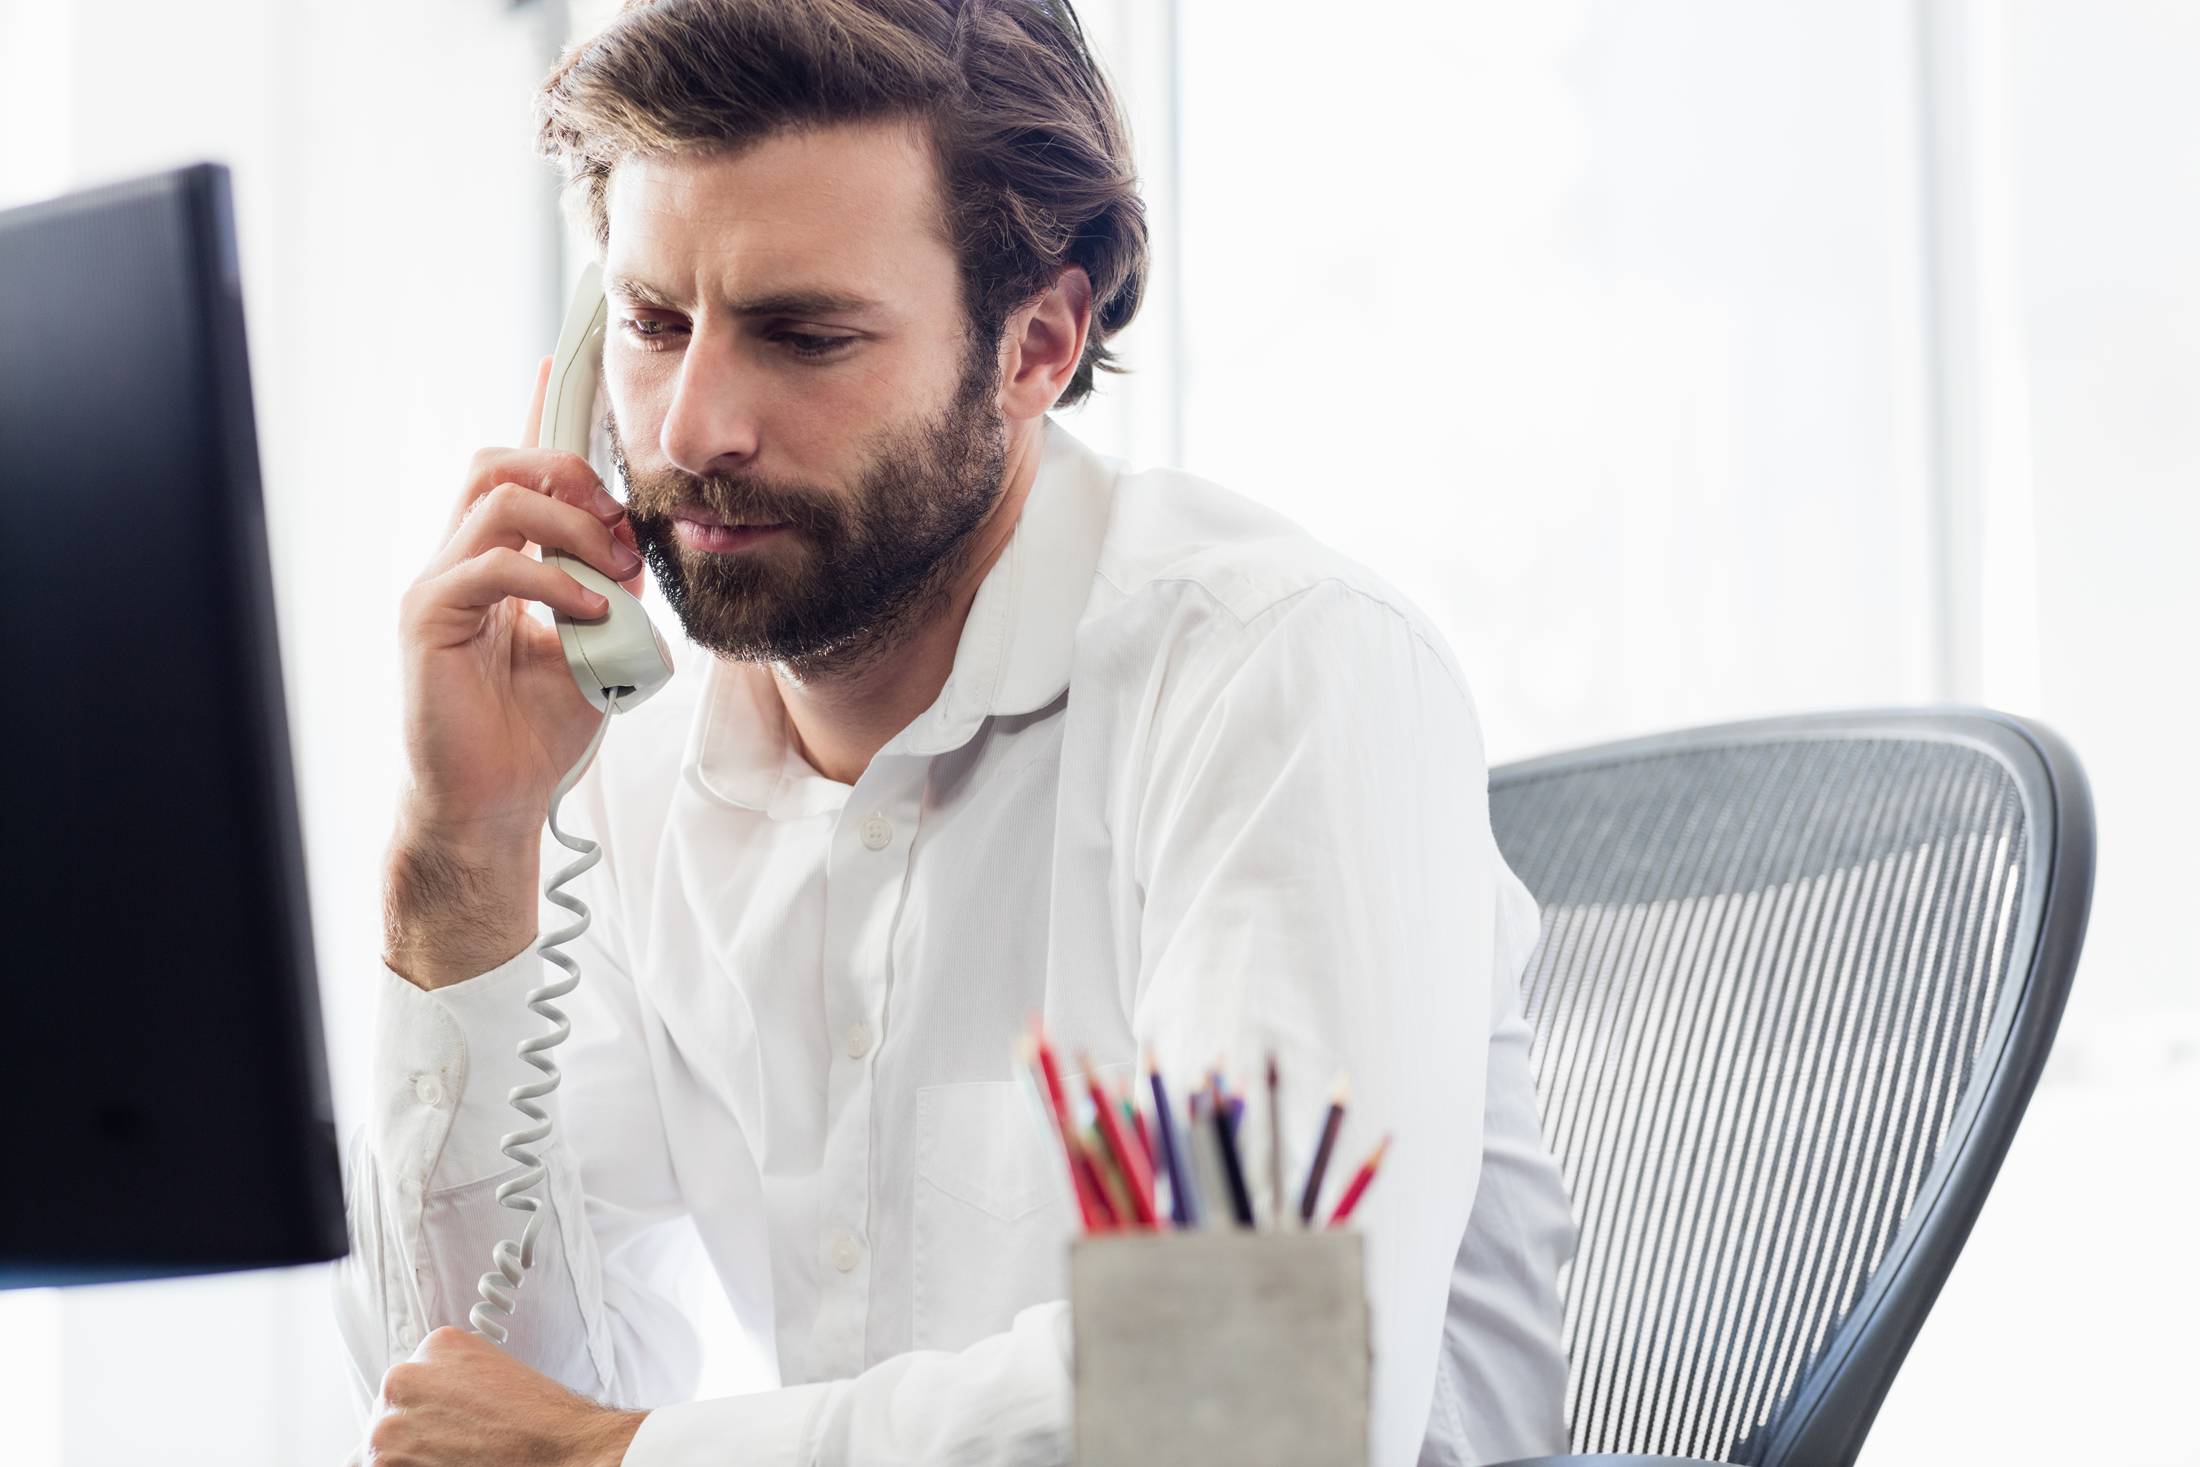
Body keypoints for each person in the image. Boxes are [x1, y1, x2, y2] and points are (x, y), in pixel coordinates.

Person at [335, 1, 1574, 1463]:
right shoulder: (637, 777)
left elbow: (1261, 1396)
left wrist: (622, 1456)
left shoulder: (1281, 680)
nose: (689, 429)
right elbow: (471, 1396)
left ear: (1038, 344)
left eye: (804, 335)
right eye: (656, 324)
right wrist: (463, 862)